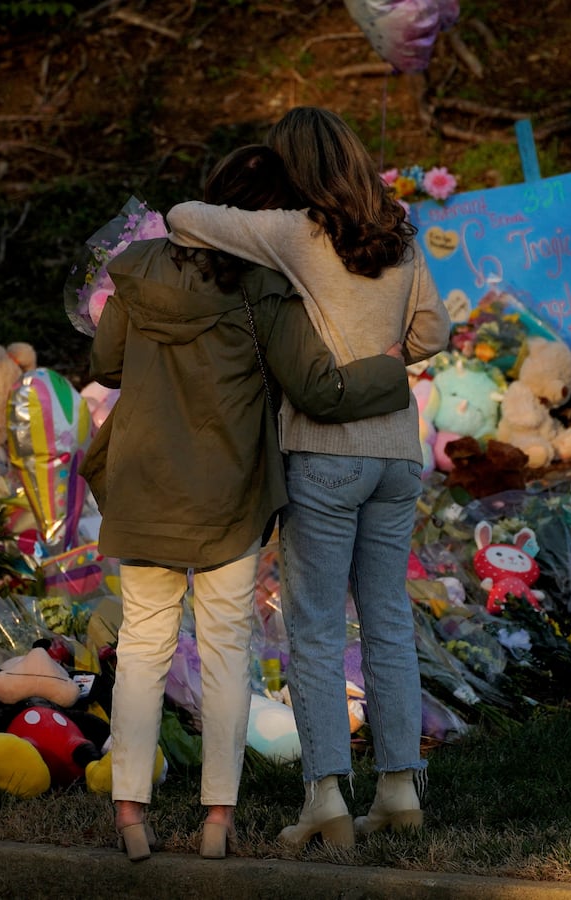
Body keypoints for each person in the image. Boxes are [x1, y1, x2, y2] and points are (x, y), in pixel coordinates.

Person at [82, 144, 412, 863]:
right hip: (227, 489)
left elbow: (105, 364)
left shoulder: (134, 271)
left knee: (141, 647)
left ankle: (132, 815)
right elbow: (315, 387)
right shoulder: (263, 285)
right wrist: (391, 375)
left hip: (142, 485)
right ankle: (215, 822)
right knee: (229, 650)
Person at [166, 106, 451, 849]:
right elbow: (434, 333)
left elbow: (182, 217)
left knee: (317, 630)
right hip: (396, 452)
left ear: (295, 169)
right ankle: (399, 788)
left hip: (324, 452)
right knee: (387, 617)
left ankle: (325, 798)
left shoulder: (294, 233)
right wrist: (385, 359)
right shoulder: (401, 234)